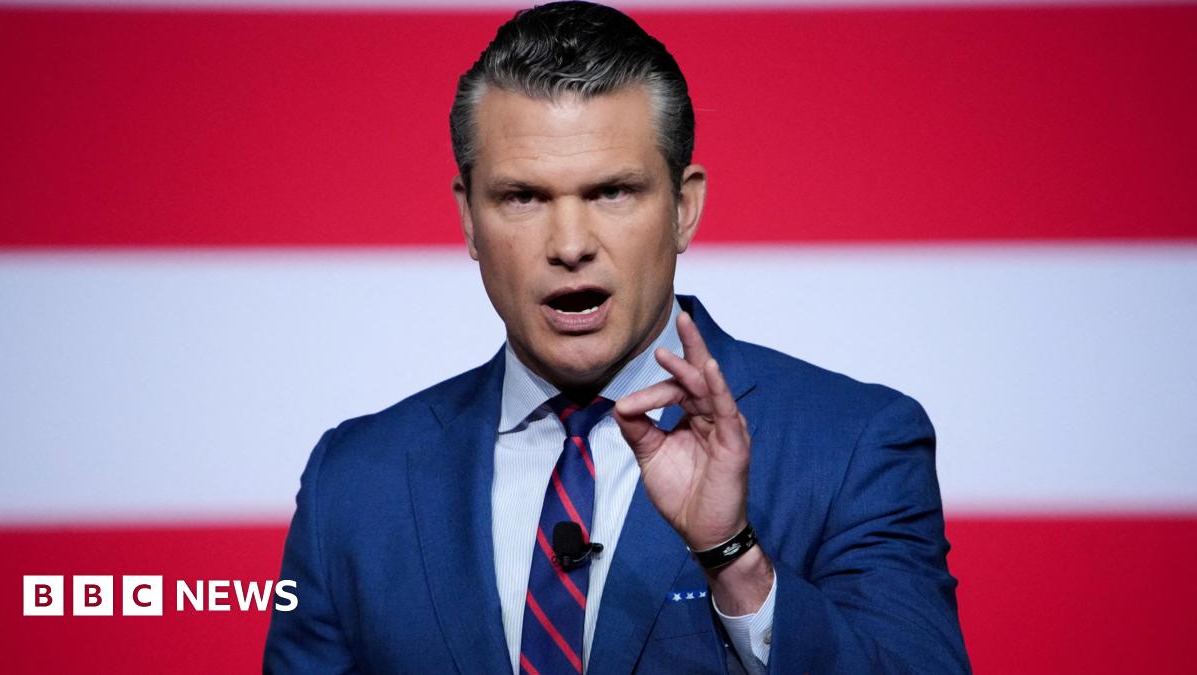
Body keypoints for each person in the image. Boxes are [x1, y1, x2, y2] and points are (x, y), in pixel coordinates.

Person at [264, 2, 970, 673]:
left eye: (612, 192)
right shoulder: (352, 483)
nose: (570, 244)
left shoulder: (851, 445)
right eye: (522, 197)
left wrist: (735, 560)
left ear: (684, 208)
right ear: (469, 219)